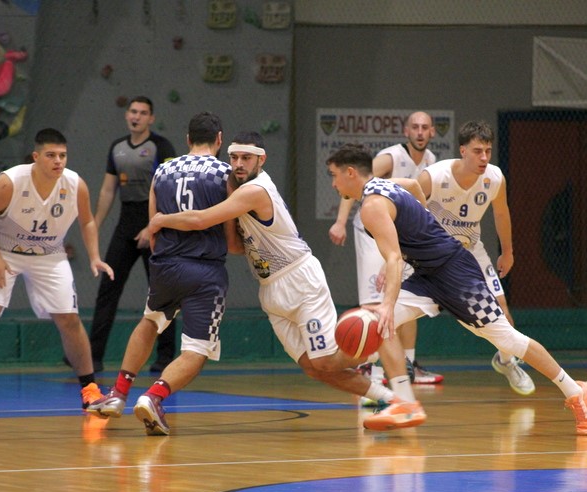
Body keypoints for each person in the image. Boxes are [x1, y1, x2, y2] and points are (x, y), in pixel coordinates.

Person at [326, 144, 587, 435]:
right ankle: (405, 404)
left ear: (350, 173)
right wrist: (424, 225)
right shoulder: (387, 185)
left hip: (454, 272)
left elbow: (393, 257)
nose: (333, 183)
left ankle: (577, 391)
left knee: (507, 339)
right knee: (379, 324)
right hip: (427, 274)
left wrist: (388, 300)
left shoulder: (371, 207)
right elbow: (415, 188)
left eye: (334, 175)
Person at [144, 132, 404, 431]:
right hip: (270, 288)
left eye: (246, 158)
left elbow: (201, 220)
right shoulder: (238, 193)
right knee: (313, 368)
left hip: (300, 280)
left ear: (261, 160)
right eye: (234, 157)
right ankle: (389, 399)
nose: (238, 164)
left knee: (325, 361)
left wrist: (161, 220)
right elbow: (235, 247)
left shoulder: (256, 190)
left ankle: (376, 347)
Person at [85, 112, 242, 435]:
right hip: (205, 271)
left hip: (166, 265)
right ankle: (154, 396)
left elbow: (152, 229)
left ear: (188, 139)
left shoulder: (163, 170)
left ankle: (118, 393)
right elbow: (230, 239)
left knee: (150, 321)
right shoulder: (225, 173)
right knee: (197, 350)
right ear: (219, 139)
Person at [0, 128, 114, 415]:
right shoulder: (10, 182)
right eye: (51, 155)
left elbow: (88, 221)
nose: (58, 161)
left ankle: (90, 390)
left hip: (48, 254)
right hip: (2, 248)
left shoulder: (75, 184)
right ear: (36, 157)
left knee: (69, 319)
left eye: (62, 155)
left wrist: (94, 256)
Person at [419, 120, 535, 395]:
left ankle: (506, 361)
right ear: (463, 150)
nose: (484, 157)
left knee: (501, 309)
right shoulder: (433, 176)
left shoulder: (494, 178)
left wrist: (508, 252)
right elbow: (409, 216)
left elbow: (501, 213)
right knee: (396, 310)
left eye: (488, 151)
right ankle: (374, 370)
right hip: (433, 254)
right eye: (477, 151)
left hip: (471, 250)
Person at [329, 111, 443, 385]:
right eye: (415, 127)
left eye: (424, 127)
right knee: (376, 302)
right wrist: (340, 222)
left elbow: (415, 188)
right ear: (406, 131)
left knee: (407, 295)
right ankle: (371, 367)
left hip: (401, 237)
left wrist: (425, 220)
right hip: (371, 230)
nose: (419, 132)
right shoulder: (391, 157)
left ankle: (409, 364)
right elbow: (354, 183)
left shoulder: (430, 160)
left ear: (432, 132)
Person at [73, 96, 178, 374]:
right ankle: (93, 356)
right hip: (126, 222)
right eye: (133, 111)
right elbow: (108, 190)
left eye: (143, 113)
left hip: (154, 221)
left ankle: (165, 356)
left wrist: (152, 226)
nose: (136, 117)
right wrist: (94, 223)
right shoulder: (117, 148)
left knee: (162, 291)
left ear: (151, 118)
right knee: (108, 287)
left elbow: (169, 190)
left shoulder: (161, 146)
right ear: (126, 115)